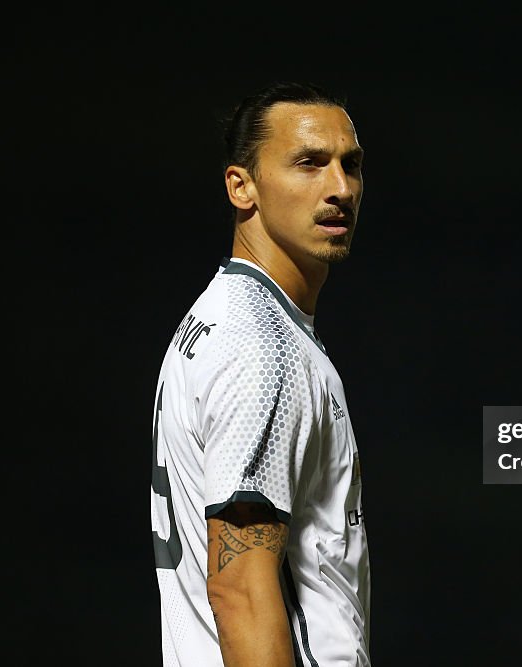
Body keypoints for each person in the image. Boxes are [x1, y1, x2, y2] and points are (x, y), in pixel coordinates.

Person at [150, 81, 371, 667]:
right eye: (308, 164)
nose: (340, 188)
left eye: (350, 166)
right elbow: (241, 590)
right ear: (241, 187)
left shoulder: (226, 319)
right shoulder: (260, 346)